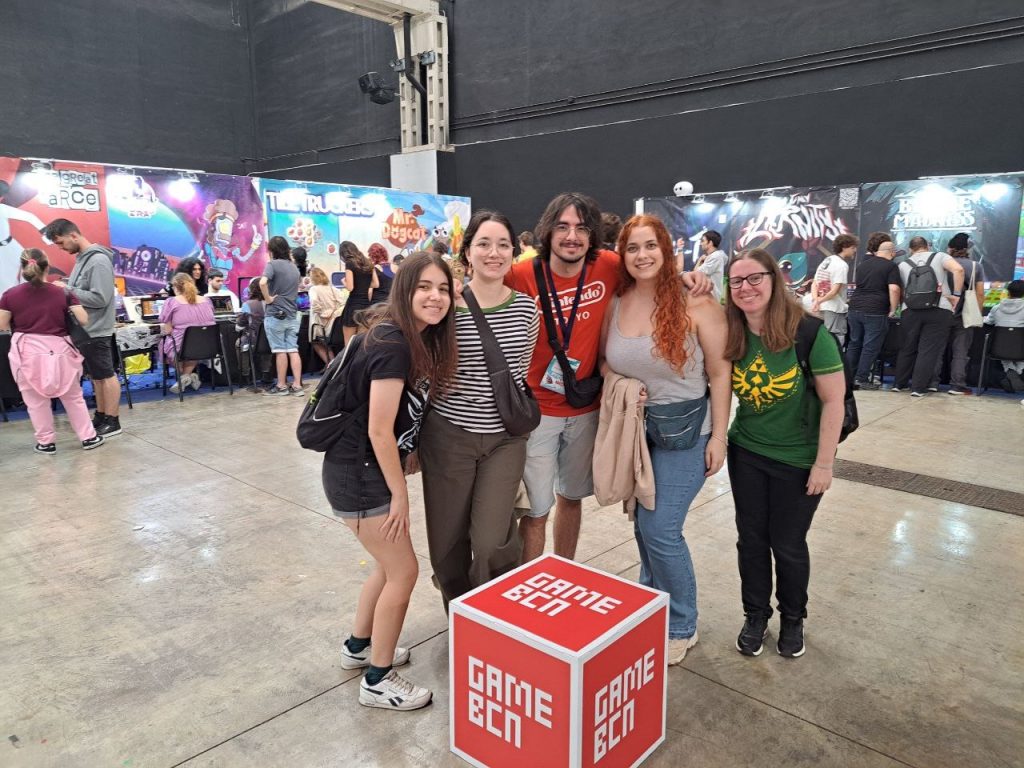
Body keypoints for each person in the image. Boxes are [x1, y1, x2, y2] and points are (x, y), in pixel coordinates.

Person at [505, 192, 711, 562]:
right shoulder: (521, 274)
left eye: (582, 228)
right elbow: (483, 291)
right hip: (538, 411)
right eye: (563, 227)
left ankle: (563, 571)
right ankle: (532, 584)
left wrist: (687, 276)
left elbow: (648, 269)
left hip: (587, 407)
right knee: (535, 510)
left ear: (593, 235)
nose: (572, 236)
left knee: (572, 497)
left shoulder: (608, 265)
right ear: (548, 231)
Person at [324, 251, 457, 711]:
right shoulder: (394, 344)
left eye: (442, 288)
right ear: (404, 290)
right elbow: (378, 429)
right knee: (405, 571)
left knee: (386, 565)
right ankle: (378, 679)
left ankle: (359, 647)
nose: (435, 297)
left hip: (361, 470)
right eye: (424, 287)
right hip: (360, 474)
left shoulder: (400, 335)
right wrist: (399, 493)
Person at [600, 215, 730, 665]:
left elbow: (719, 372)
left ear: (666, 249)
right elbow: (605, 362)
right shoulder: (617, 302)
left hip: (688, 433)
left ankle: (680, 622)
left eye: (650, 246)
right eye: (632, 248)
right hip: (636, 434)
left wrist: (719, 437)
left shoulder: (696, 302)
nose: (642, 255)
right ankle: (649, 603)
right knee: (642, 525)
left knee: (660, 527)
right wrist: (621, 382)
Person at [724, 248, 846, 658]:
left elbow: (834, 401)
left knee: (789, 544)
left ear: (774, 279)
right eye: (736, 281)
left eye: (755, 278)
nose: (746, 288)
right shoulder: (732, 331)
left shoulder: (809, 333)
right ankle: (755, 614)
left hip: (798, 459)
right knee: (751, 541)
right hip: (747, 453)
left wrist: (824, 463)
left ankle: (793, 617)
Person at [419, 211, 539, 609]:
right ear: (467, 251)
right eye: (483, 244)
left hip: (505, 439)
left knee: (492, 540)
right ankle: (460, 616)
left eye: (503, 244)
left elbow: (520, 375)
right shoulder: (447, 305)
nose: (494, 252)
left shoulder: (526, 309)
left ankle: (493, 615)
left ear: (514, 252)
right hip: (449, 435)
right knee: (447, 540)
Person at [0, 249, 103, 452]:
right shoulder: (62, 293)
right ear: (47, 267)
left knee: (35, 401)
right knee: (73, 397)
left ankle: (46, 442)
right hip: (61, 350)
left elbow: (2, 324)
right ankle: (88, 437)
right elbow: (83, 319)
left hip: (26, 351)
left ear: (23, 268)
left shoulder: (10, 295)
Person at [41, 218, 122, 437]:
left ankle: (113, 421)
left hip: (97, 328)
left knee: (106, 375)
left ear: (73, 235)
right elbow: (81, 290)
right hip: (86, 329)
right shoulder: (82, 260)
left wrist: (66, 290)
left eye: (60, 243)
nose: (60, 248)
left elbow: (101, 298)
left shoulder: (97, 261)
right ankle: (102, 415)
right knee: (97, 376)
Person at [892, 236, 965, 396]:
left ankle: (899, 383)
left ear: (911, 249)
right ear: (928, 246)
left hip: (909, 310)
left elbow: (900, 289)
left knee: (907, 347)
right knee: (928, 349)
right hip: (938, 308)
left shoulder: (903, 264)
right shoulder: (939, 257)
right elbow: (958, 270)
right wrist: (956, 295)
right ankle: (918, 388)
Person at [846, 232, 901, 389]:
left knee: (854, 343)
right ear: (892, 253)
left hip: (855, 307)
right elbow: (894, 289)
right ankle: (862, 379)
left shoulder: (862, 265)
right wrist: (893, 308)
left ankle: (848, 378)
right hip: (875, 310)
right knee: (870, 346)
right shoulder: (891, 266)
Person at [935, 232, 986, 395]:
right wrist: (976, 313)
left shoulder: (942, 263)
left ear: (949, 248)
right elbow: (979, 293)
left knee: (936, 349)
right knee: (961, 351)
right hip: (964, 313)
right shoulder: (976, 266)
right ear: (968, 248)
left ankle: (931, 381)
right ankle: (957, 385)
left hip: (942, 311)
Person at [260, 235, 305, 396]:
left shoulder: (272, 265)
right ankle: (298, 385)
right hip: (292, 314)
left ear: (271, 250)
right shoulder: (294, 267)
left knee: (280, 351)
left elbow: (262, 282)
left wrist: (268, 298)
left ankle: (281, 385)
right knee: (293, 349)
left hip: (275, 313)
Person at [159, 273, 217, 393]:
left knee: (163, 345)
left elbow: (168, 330)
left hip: (183, 346)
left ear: (175, 287)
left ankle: (185, 377)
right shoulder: (207, 300)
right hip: (207, 346)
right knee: (193, 344)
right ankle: (189, 376)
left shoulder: (172, 302)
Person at [0, 180, 46, 297]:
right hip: (6, 248)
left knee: (25, 274)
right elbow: (30, 217)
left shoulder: (2, 209)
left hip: (10, 246)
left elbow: (29, 217)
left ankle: (22, 300)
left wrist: (46, 234)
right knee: (6, 285)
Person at [811, 234, 858, 346]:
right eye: (853, 247)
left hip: (820, 306)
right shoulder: (842, 265)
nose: (855, 251)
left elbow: (814, 283)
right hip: (834, 308)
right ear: (844, 247)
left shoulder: (827, 260)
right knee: (836, 339)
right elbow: (835, 291)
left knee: (821, 337)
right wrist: (819, 301)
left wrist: (817, 300)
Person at [984, 279, 1024, 390]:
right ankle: (1019, 371)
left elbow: (988, 322)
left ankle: (1010, 370)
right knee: (1015, 343)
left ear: (1008, 292)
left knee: (1004, 341)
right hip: (1021, 350)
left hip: (999, 349)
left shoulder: (996, 308)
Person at [339, 241, 379, 346]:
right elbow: (376, 284)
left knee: (348, 344)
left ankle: (349, 362)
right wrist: (363, 285)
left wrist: (343, 281)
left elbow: (350, 287)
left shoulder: (350, 263)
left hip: (353, 306)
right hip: (366, 306)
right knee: (363, 343)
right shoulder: (368, 263)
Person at [307, 266, 346, 364]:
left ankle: (331, 364)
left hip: (321, 326)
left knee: (316, 343)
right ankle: (332, 364)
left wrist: (322, 313)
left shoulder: (314, 289)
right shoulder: (334, 289)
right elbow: (343, 304)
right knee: (327, 344)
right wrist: (334, 313)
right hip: (334, 327)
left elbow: (314, 302)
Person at [236, 277, 269, 383]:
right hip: (272, 340)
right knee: (266, 346)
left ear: (251, 289)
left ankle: (245, 375)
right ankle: (266, 373)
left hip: (253, 341)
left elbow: (239, 327)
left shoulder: (247, 305)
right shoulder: (272, 303)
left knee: (239, 343)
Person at [694, 229, 727, 303]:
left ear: (710, 243)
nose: (700, 244)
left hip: (711, 299)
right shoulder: (714, 257)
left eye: (703, 241)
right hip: (709, 298)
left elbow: (695, 273)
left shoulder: (715, 257)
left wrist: (699, 260)